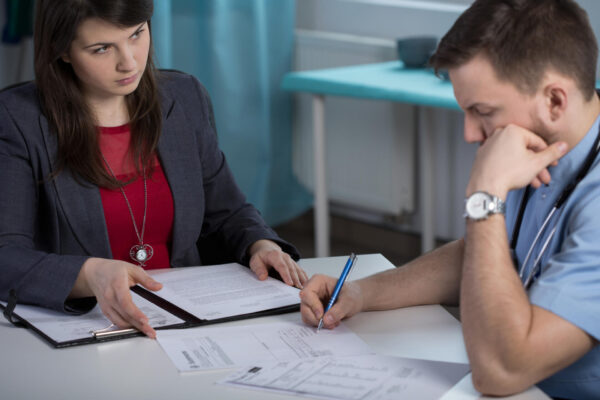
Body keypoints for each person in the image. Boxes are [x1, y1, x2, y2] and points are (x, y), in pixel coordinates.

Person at [300, 0, 600, 398]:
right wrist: (361, 293)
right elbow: (482, 255)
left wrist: (484, 196)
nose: (470, 134)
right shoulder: (545, 146)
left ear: (556, 101)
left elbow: (498, 372)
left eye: (483, 111)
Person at [0, 0, 308, 339]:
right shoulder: (18, 120)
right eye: (102, 49)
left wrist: (260, 244)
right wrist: (89, 274)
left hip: (188, 322)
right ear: (63, 52)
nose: (129, 61)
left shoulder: (183, 97)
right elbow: (6, 256)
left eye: (136, 34)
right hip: (91, 328)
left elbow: (228, 211)